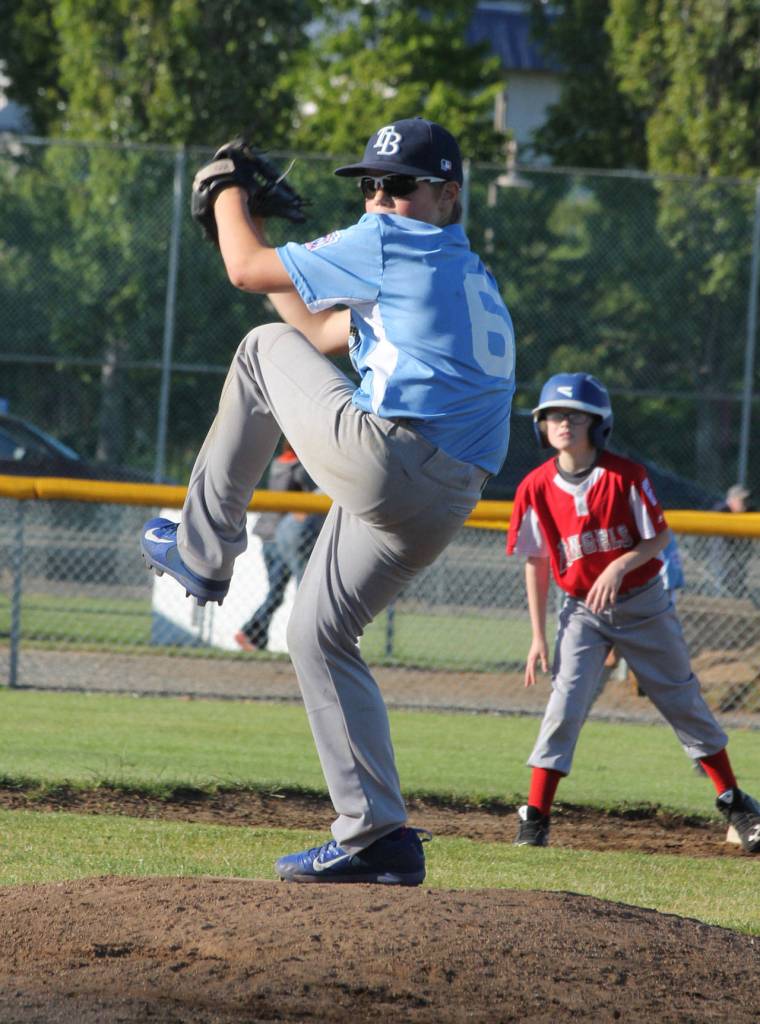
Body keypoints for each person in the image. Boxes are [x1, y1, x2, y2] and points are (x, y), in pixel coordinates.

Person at [141, 118, 515, 884]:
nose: (379, 198)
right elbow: (315, 330)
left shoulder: (392, 245)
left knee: (254, 350)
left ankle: (203, 554)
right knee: (316, 634)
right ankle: (377, 835)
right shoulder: (462, 271)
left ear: (448, 194)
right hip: (446, 497)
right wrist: (252, 233)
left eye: (399, 186)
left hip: (395, 464)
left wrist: (226, 194)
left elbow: (246, 270)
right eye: (370, 184)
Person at [505, 372, 760, 853]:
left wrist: (620, 565)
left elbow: (659, 538)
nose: (563, 423)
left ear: (596, 424)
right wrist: (538, 635)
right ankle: (535, 817)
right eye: (554, 415)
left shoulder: (625, 476)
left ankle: (736, 804)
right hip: (581, 611)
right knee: (564, 706)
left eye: (575, 415)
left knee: (681, 701)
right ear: (542, 425)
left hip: (643, 604)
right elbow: (537, 562)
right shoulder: (535, 487)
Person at [234, 439, 322, 652]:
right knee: (290, 589)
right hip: (283, 533)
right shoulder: (300, 468)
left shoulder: (277, 464)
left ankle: (256, 638)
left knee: (276, 592)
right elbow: (313, 499)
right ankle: (249, 632)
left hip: (266, 533)